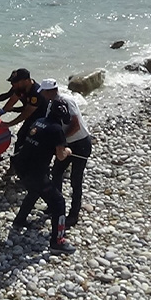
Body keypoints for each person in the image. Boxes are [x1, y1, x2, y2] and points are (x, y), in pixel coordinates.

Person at [10, 100, 77, 255]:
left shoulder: (38, 121)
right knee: (59, 202)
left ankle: (19, 220)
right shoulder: (57, 129)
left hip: (21, 166)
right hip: (36, 171)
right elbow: (60, 157)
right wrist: (67, 151)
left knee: (34, 191)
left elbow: (38, 144)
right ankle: (57, 242)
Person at [38, 78, 92, 227]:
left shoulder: (66, 101)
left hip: (80, 142)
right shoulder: (51, 104)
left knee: (76, 179)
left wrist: (60, 141)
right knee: (56, 172)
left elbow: (75, 125)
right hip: (66, 142)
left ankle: (74, 214)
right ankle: (55, 204)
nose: (42, 94)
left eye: (43, 92)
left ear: (50, 91)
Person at [0, 68, 49, 155]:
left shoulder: (36, 92)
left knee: (31, 142)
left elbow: (26, 113)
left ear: (26, 80)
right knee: (20, 138)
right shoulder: (20, 88)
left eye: (16, 82)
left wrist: (8, 124)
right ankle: (15, 164)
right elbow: (12, 101)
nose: (13, 85)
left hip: (40, 120)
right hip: (29, 116)